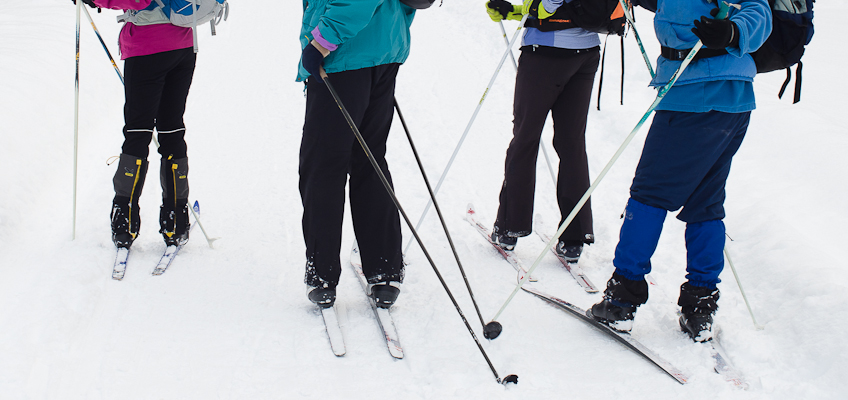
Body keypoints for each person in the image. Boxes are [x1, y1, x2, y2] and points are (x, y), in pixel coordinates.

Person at [587, 0, 772, 342]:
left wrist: (731, 31)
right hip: (731, 100)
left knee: (648, 196)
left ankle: (621, 300)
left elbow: (758, 10)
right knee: (706, 201)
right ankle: (699, 306)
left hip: (693, 98)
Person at [298, 0, 415, 309]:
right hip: (384, 47)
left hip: (344, 54)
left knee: (324, 164)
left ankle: (322, 273)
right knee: (370, 160)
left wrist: (321, 42)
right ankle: (384, 268)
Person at [484, 0, 601, 262]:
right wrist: (514, 11)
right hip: (587, 51)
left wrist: (534, 11)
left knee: (526, 137)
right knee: (572, 143)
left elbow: (548, 5)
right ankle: (574, 236)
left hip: (546, 53)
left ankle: (509, 226)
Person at [76, 0, 197, 249]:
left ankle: (124, 223)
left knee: (138, 132)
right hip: (184, 45)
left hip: (147, 49)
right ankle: (176, 221)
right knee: (172, 129)